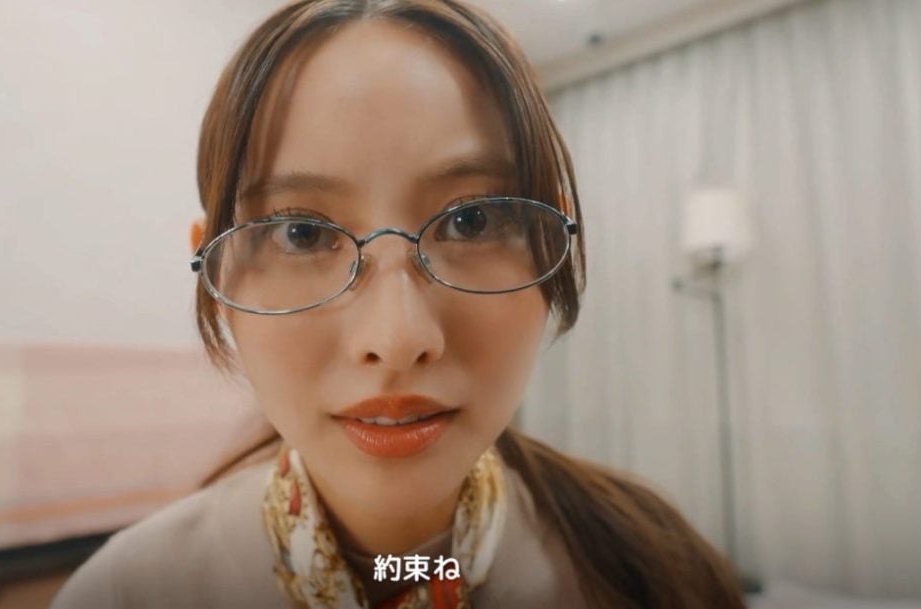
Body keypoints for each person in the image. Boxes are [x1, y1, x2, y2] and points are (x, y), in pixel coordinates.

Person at [52, 1, 745, 607]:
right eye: (302, 233)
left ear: (552, 240)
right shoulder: (124, 593)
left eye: (471, 220)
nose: (397, 337)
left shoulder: (660, 572)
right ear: (213, 272)